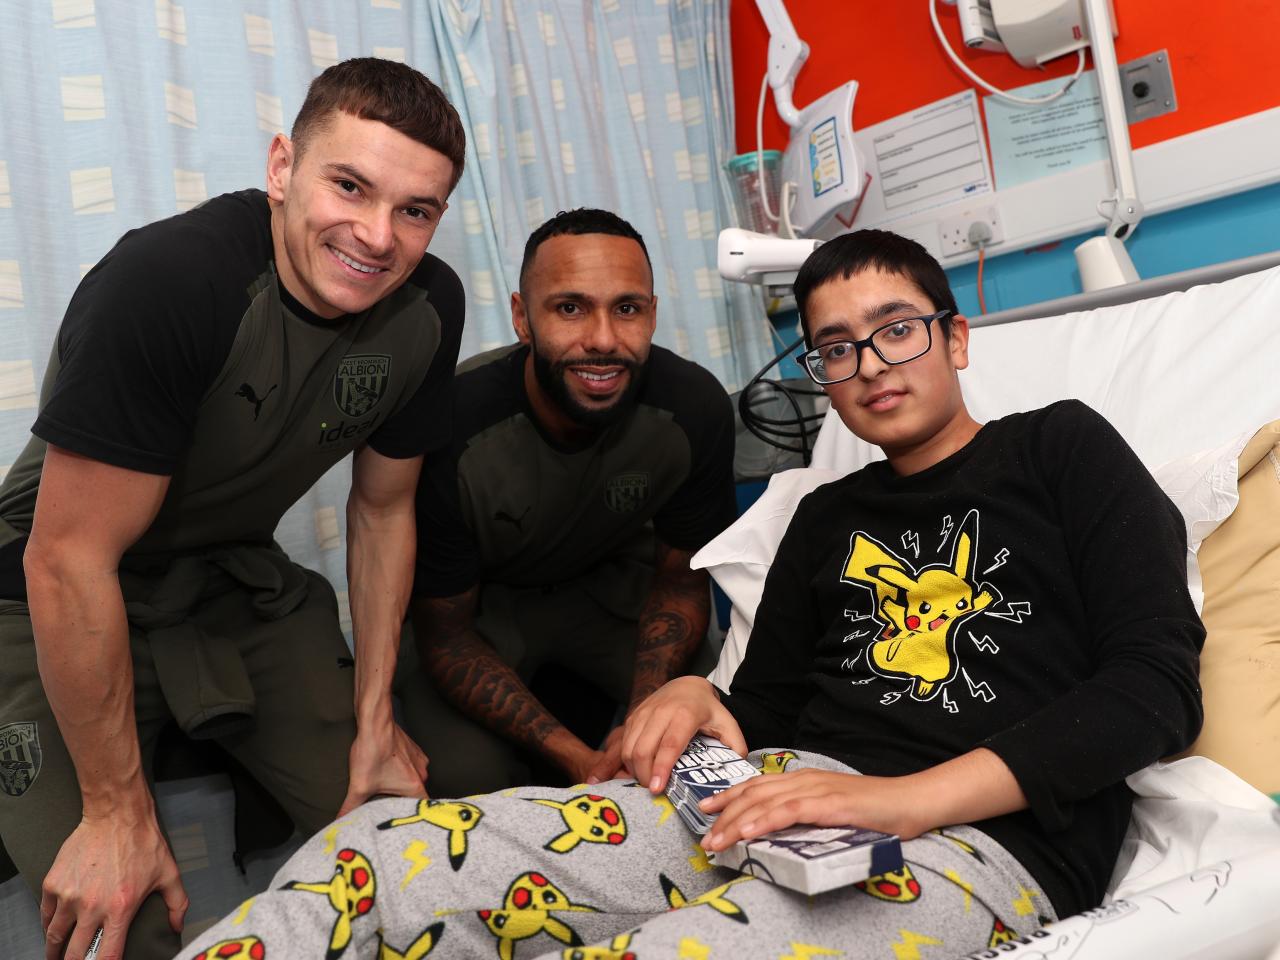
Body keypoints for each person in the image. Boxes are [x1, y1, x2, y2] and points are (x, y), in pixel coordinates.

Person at [176, 229, 1203, 960]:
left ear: (955, 337)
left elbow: (1155, 690)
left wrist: (892, 801)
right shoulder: (825, 512)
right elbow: (763, 707)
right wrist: (699, 702)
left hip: (977, 846)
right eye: (835, 347)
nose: (870, 363)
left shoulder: (1060, 449)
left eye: (896, 328)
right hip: (767, 797)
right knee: (387, 854)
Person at [0, 58, 467, 960]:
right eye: (350, 185)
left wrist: (374, 717)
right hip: (40, 595)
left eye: (415, 211)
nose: (378, 236)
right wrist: (114, 812)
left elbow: (383, 513)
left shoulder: (427, 307)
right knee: (114, 924)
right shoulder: (170, 280)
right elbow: (66, 560)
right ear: (283, 167)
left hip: (224, 581)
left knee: (415, 850)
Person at [400, 208, 737, 797]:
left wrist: (641, 723)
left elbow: (682, 584)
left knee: (713, 727)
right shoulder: (451, 426)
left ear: (652, 314)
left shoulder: (694, 408)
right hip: (480, 614)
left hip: (612, 593)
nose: (603, 340)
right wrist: (579, 760)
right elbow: (447, 637)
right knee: (466, 779)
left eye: (627, 308)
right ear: (522, 319)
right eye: (570, 307)